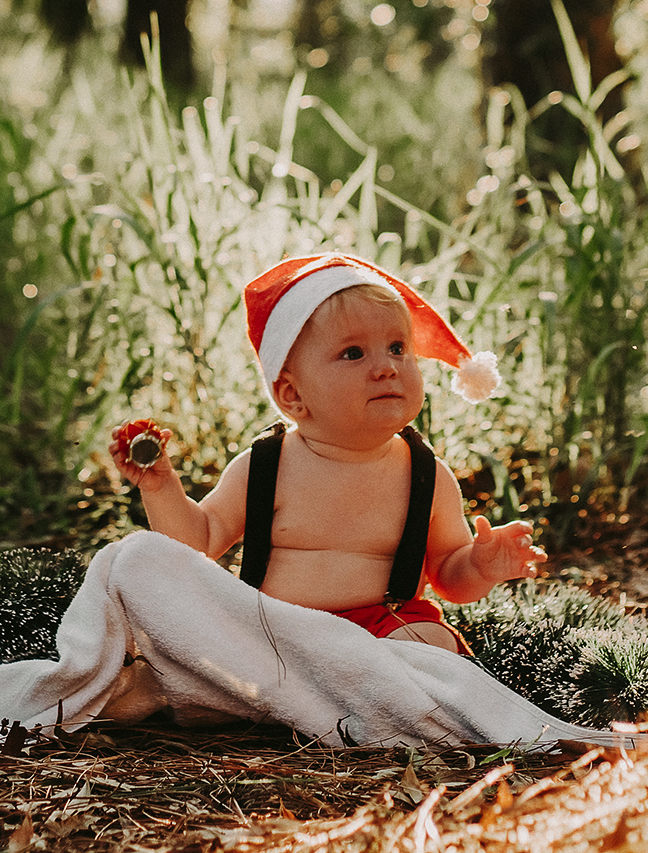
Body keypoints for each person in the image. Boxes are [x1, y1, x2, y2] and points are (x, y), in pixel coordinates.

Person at [110, 252, 546, 654]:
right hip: (273, 630)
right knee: (184, 623)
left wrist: (480, 565)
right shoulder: (266, 466)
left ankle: (371, 698)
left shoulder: (426, 475)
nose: (386, 367)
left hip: (383, 626)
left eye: (398, 348)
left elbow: (449, 577)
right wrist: (162, 486)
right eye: (353, 353)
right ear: (292, 394)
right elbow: (199, 542)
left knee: (432, 642)